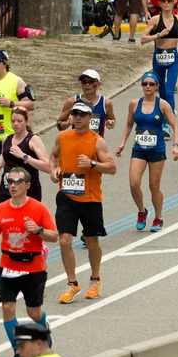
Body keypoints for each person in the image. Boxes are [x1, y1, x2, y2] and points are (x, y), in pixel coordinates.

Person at [0, 167, 58, 357]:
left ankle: (44, 328)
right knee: (7, 307)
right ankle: (18, 352)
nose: (13, 185)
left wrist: (38, 230)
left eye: (17, 181)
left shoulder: (38, 208)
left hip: (33, 267)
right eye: (10, 181)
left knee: (34, 312)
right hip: (8, 265)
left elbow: (54, 236)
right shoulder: (0, 209)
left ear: (27, 185)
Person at [50, 101, 117, 304]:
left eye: (82, 114)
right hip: (66, 196)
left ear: (90, 117)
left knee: (92, 240)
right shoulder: (62, 137)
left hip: (90, 198)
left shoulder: (97, 141)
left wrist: (93, 164)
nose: (77, 118)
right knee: (64, 239)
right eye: (74, 114)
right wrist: (53, 171)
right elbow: (53, 156)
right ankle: (72, 283)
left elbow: (112, 167)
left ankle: (95, 279)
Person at [0, 50, 36, 224]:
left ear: (5, 63)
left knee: (14, 174)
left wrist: (11, 103)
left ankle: (17, 208)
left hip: (10, 135)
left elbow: (31, 104)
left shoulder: (15, 80)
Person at [115, 72, 178, 232]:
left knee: (153, 186)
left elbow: (174, 125)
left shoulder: (163, 104)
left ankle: (158, 218)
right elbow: (129, 125)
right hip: (139, 149)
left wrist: (176, 145)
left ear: (157, 87)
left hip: (157, 150)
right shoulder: (134, 104)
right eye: (145, 84)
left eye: (152, 84)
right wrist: (122, 143)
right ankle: (142, 211)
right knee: (133, 183)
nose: (148, 87)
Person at [140, 0, 178, 137]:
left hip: (173, 57)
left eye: (169, 1)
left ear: (174, 2)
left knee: (169, 90)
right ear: (160, 3)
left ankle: (168, 123)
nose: (166, 3)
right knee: (160, 91)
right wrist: (158, 35)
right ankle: (166, 115)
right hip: (159, 57)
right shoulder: (155, 20)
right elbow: (143, 39)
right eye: (163, 1)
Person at [0, 107, 50, 203]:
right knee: (6, 217)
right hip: (7, 188)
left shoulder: (33, 140)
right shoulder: (6, 139)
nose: (15, 124)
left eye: (19, 121)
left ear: (27, 122)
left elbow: (47, 167)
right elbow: (4, 155)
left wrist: (24, 156)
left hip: (28, 190)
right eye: (13, 121)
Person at [56, 70, 116, 138]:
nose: (87, 85)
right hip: (77, 144)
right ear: (81, 84)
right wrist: (67, 123)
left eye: (91, 82)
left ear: (98, 85)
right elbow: (59, 125)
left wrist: (110, 124)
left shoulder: (106, 103)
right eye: (84, 82)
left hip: (96, 145)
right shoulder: (72, 102)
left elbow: (111, 121)